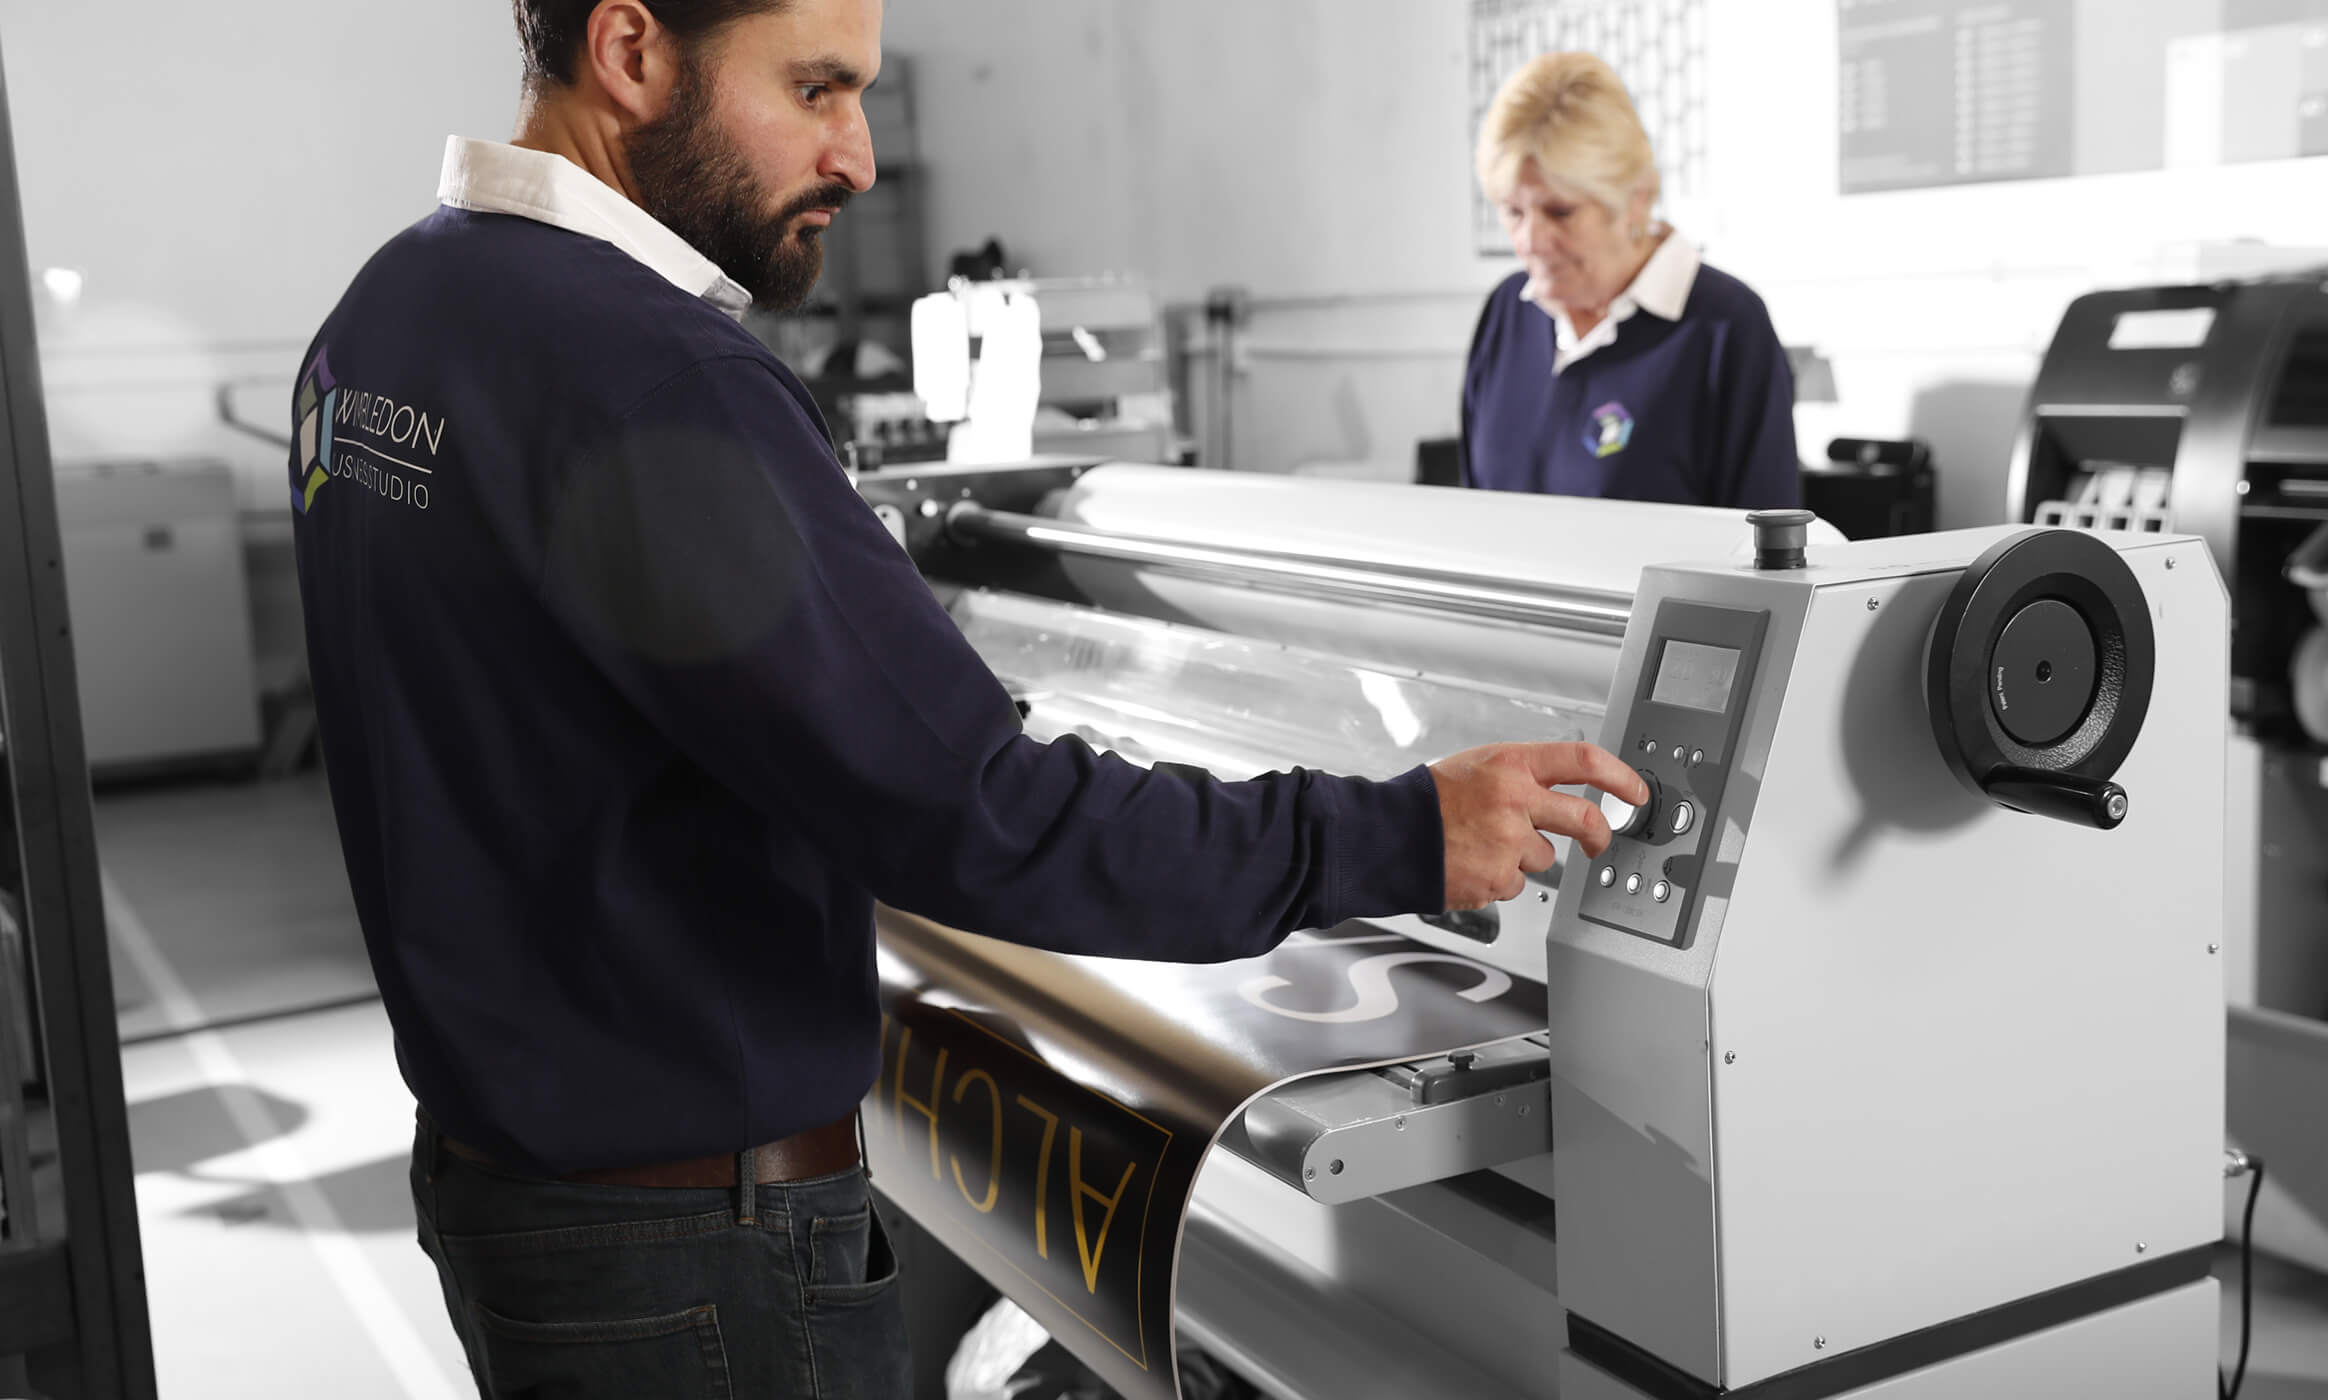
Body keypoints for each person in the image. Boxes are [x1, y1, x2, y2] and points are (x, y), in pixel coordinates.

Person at [286, 2, 1645, 1395]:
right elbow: (977, 811)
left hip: (511, 1197)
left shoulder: (384, 319)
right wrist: (1403, 833)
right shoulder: (655, 372)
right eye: (815, 89)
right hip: (697, 1262)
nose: (857, 155)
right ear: (631, 55)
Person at [1461, 52, 1800, 509]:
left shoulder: (1725, 327)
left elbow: (1769, 559)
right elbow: (1468, 519)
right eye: (1513, 211)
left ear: (1635, 200)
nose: (1530, 241)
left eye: (1560, 212)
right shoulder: (1507, 312)